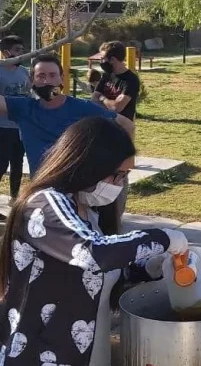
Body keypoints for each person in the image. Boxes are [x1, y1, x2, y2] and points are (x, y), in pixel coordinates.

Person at [0, 116, 188, 366]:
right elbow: (92, 252)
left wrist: (148, 268)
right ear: (85, 163)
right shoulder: (44, 205)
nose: (119, 184)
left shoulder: (87, 212)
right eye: (117, 175)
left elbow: (101, 275)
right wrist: (163, 237)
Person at [0, 54, 134, 176]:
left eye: (53, 75)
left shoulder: (82, 108)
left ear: (62, 78)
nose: (47, 81)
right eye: (41, 76)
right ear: (31, 80)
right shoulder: (24, 108)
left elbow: (127, 125)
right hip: (41, 190)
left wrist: (122, 168)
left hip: (75, 190)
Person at [91, 41, 141, 229]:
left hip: (121, 133)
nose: (101, 61)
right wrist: (106, 101)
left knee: (119, 174)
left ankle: (115, 222)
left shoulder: (130, 80)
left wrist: (103, 98)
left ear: (113, 59)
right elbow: (92, 100)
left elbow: (118, 107)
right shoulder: (106, 76)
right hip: (102, 130)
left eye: (103, 58)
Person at [0, 36, 30, 203]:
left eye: (22, 50)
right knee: (1, 164)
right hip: (2, 127)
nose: (21, 54)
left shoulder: (24, 72)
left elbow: (30, 94)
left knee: (17, 164)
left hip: (20, 127)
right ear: (6, 52)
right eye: (17, 50)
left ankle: (14, 198)